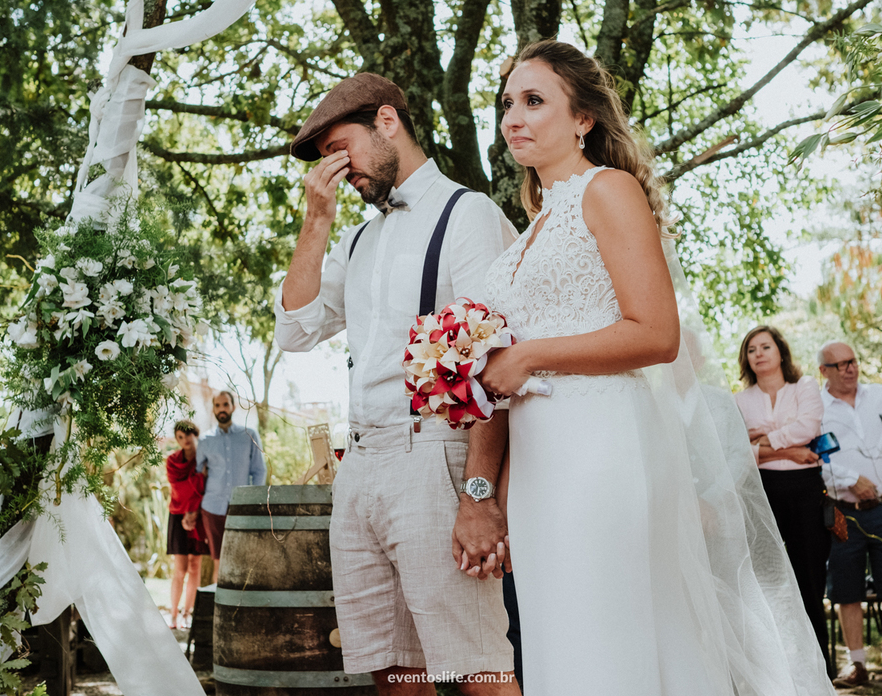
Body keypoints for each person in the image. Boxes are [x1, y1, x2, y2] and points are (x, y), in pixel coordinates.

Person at [478, 40, 832, 695]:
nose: (512, 118)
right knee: (559, 640)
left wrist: (527, 355)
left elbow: (656, 332)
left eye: (533, 101)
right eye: (506, 104)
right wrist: (494, 497)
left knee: (607, 636)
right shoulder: (530, 229)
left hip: (599, 449)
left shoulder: (607, 191)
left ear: (583, 118)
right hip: (536, 468)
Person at [274, 72, 521, 694]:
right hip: (360, 468)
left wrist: (479, 495)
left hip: (435, 457)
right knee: (393, 670)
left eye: (340, 148)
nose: (338, 168)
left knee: (475, 665)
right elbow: (295, 329)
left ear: (387, 122)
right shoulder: (356, 239)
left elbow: (494, 366)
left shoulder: (468, 214)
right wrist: (318, 219)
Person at [817, 340, 882, 688]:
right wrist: (849, 480)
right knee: (847, 588)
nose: (850, 368)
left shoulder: (880, 396)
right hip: (844, 511)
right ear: (824, 371)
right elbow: (816, 460)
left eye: (853, 360)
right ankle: (857, 665)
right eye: (841, 364)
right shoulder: (816, 407)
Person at [734, 325, 831, 674]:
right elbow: (735, 449)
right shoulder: (739, 400)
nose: (759, 353)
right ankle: (776, 670)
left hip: (806, 491)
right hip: (761, 492)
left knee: (809, 582)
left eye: (765, 346)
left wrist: (761, 441)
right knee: (769, 581)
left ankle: (819, 668)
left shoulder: (804, 387)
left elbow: (809, 427)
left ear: (780, 352)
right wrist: (790, 451)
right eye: (751, 349)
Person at [196, 391, 267, 573]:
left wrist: (252, 501)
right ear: (213, 409)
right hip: (212, 508)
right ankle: (219, 601)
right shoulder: (205, 440)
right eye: (218, 405)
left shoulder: (249, 435)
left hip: (241, 507)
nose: (222, 409)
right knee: (218, 562)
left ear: (233, 407)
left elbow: (259, 471)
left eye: (225, 404)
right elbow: (197, 474)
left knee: (242, 559)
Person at [165, 420, 208, 629]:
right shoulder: (172, 461)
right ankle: (173, 614)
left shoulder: (205, 458)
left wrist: (194, 511)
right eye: (180, 437)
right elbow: (178, 491)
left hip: (199, 514)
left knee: (195, 566)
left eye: (188, 435)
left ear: (195, 434)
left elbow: (209, 488)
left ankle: (187, 613)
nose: (185, 440)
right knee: (180, 568)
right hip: (177, 514)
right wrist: (199, 480)